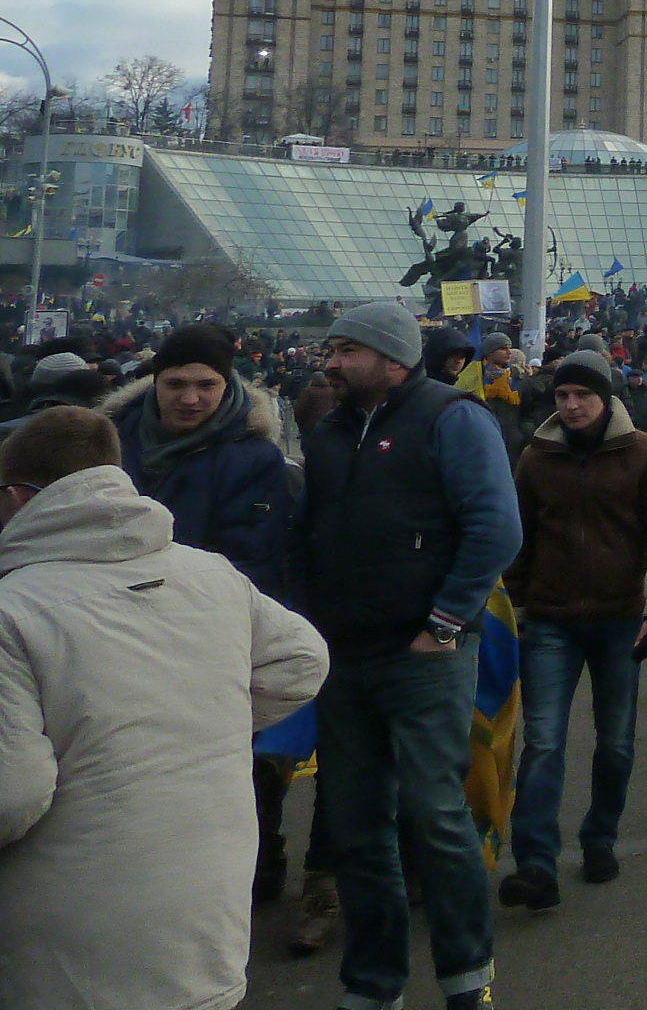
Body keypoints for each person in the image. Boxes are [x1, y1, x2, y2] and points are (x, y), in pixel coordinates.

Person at [0, 407, 330, 1010]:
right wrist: (206, 718)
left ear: (19, 497)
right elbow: (303, 660)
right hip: (209, 898)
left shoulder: (13, 608)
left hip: (71, 934)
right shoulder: (211, 574)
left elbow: (11, 793)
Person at [295, 299, 521, 1010]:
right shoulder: (329, 434)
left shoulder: (453, 418)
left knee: (435, 816)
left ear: (393, 359)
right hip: (344, 656)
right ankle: (373, 984)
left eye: (347, 351)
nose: (332, 363)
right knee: (358, 830)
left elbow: (496, 527)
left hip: (425, 654)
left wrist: (444, 622)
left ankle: (467, 979)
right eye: (331, 351)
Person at [104, 322, 303, 899]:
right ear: (154, 382)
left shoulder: (253, 457)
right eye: (176, 384)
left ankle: (253, 867)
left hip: (205, 636)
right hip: (111, 631)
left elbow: (251, 562)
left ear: (227, 386)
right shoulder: (110, 443)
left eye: (205, 385)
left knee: (228, 764)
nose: (189, 398)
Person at [497, 351, 647, 910]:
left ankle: (600, 836)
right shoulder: (537, 456)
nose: (572, 405)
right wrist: (516, 607)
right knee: (543, 742)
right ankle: (536, 863)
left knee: (616, 742)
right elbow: (519, 536)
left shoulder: (644, 452)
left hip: (620, 619)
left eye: (583, 395)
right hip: (549, 620)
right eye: (562, 395)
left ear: (607, 399)